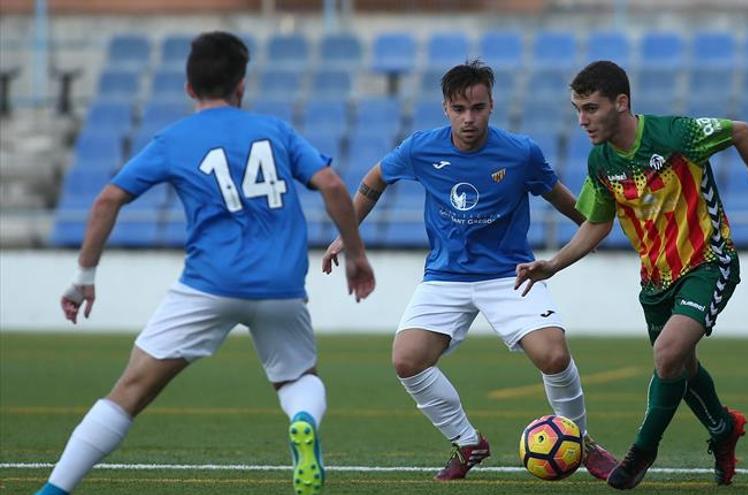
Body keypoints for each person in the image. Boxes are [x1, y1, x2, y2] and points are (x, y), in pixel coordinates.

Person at [35, 31, 374, 495]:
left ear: (189, 88)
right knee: (299, 378)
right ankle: (301, 420)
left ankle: (53, 491)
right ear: (242, 86)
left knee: (131, 390)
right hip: (281, 288)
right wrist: (355, 254)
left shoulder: (175, 139)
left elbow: (107, 199)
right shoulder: (275, 131)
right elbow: (333, 185)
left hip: (208, 285)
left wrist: (83, 278)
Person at [321, 59, 617, 481]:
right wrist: (346, 236)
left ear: (491, 105)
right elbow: (374, 180)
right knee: (407, 360)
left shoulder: (520, 153)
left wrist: (599, 228)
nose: (469, 118)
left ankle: (582, 443)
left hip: (508, 274)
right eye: (459, 109)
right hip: (445, 276)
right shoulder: (421, 148)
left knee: (553, 355)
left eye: (477, 108)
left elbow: (570, 205)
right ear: (445, 108)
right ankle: (467, 442)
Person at [515, 60, 748, 490]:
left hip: (709, 260)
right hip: (656, 280)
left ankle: (640, 453)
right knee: (680, 368)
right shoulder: (601, 162)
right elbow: (597, 223)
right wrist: (552, 263)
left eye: (591, 108)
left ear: (621, 102)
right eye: (577, 109)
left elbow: (741, 131)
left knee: (667, 356)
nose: (582, 120)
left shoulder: (674, 135)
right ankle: (722, 428)